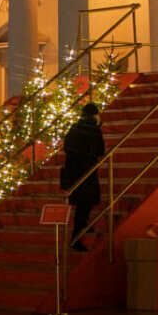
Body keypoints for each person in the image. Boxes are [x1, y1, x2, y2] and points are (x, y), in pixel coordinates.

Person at [60, 104, 106, 251]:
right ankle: (77, 238)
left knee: (81, 205)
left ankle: (83, 228)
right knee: (84, 206)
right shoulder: (94, 131)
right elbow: (100, 150)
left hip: (73, 173)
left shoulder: (74, 128)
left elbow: (67, 147)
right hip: (87, 173)